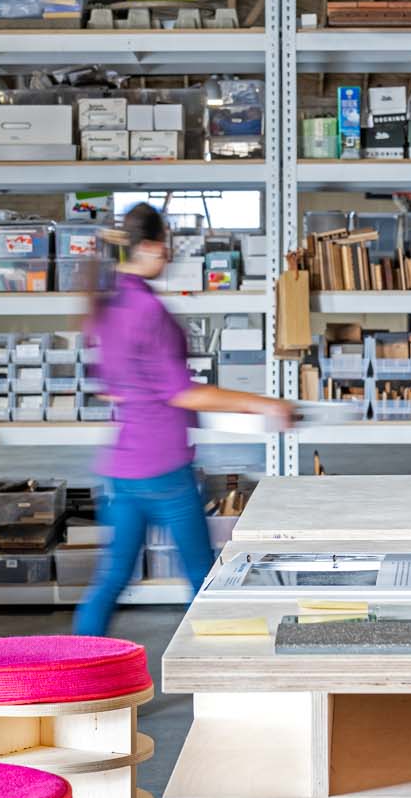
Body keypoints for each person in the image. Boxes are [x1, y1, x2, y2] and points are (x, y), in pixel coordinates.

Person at [74, 202, 293, 635]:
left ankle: (74, 681)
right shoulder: (150, 312)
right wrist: (265, 404)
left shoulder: (106, 306)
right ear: (153, 247)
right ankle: (226, 681)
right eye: (168, 246)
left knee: (110, 580)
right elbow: (184, 392)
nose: (170, 256)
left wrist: (142, 388)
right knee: (204, 579)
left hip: (122, 468)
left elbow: (106, 384)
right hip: (164, 468)